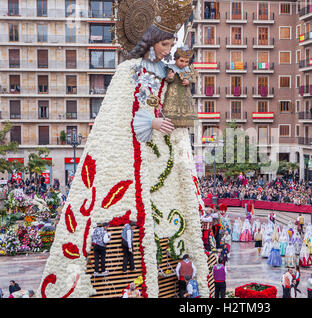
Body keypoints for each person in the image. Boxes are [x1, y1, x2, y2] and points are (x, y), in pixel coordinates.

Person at [37, 0, 211, 298]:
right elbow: (123, 114)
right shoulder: (129, 70)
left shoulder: (167, 69)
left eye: (172, 43)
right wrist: (152, 123)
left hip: (166, 159)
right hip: (132, 157)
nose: (169, 49)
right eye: (166, 43)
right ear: (153, 41)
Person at [164, 45, 197, 128]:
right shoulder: (171, 68)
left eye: (186, 62)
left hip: (185, 94)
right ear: (175, 59)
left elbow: (193, 79)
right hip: (173, 93)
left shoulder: (188, 69)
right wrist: (170, 77)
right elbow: (167, 79)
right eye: (181, 61)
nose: (184, 64)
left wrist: (188, 81)